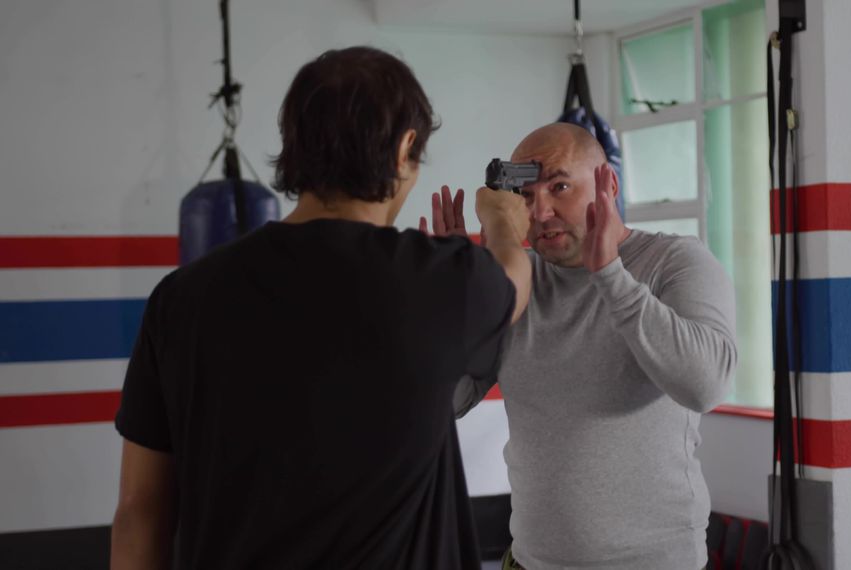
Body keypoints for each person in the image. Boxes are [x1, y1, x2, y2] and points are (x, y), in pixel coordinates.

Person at [109, 46, 530, 570]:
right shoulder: (438, 280)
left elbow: (139, 510)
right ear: (404, 149)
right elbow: (516, 277)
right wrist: (502, 220)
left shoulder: (180, 297)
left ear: (295, 148)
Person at [437, 123, 737, 569]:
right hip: (531, 562)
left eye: (559, 186)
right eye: (526, 195)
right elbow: (449, 401)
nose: (540, 212)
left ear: (609, 184)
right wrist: (461, 298)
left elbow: (706, 386)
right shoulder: (522, 280)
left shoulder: (674, 262)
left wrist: (611, 276)